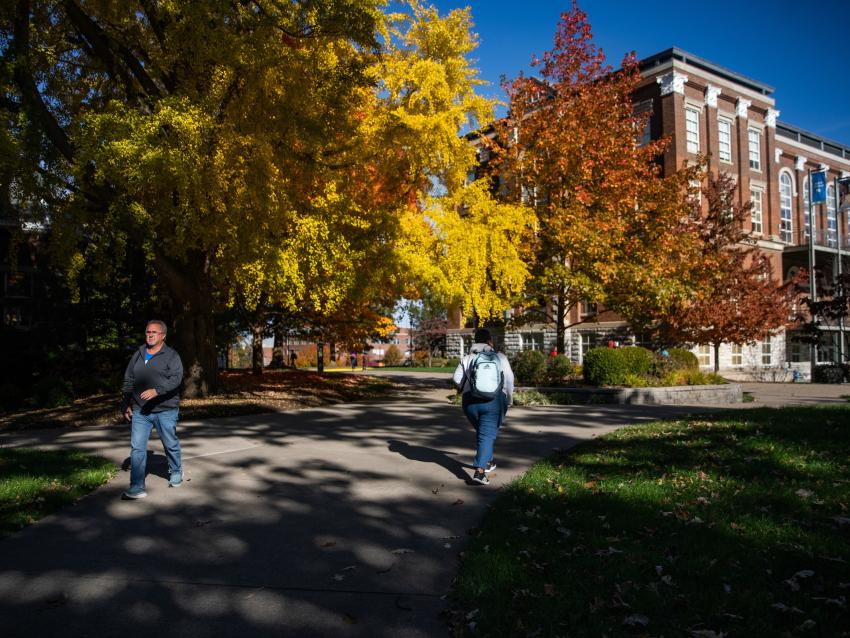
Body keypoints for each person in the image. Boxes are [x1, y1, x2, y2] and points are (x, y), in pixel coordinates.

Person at [120, 320, 185, 499]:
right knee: (137, 447)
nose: (149, 334)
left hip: (166, 409)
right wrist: (125, 403)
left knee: (170, 443)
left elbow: (176, 379)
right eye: (147, 331)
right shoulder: (139, 354)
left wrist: (157, 391)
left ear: (163, 336)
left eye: (154, 332)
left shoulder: (171, 356)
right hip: (141, 410)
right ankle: (137, 486)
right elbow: (129, 380)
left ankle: (176, 470)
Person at [453, 328, 514, 485]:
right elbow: (509, 381)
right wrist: (508, 400)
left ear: (475, 341)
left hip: (470, 403)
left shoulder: (467, 358)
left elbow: (456, 378)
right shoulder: (500, 357)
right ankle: (479, 473)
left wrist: (463, 387)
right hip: (493, 403)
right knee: (487, 435)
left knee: (485, 434)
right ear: (490, 341)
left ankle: (488, 461)